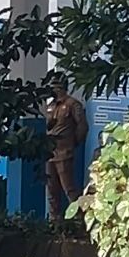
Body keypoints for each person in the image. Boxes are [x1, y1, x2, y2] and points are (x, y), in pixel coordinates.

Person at [45, 75, 89, 219]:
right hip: (50, 154)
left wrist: (73, 143)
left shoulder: (73, 104)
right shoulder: (51, 106)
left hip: (64, 153)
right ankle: (54, 223)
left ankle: (78, 221)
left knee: (69, 190)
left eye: (54, 86)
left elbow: (82, 127)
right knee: (52, 192)